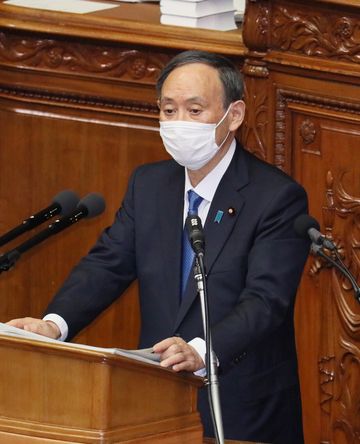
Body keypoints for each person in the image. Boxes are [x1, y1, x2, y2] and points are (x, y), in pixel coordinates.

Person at [8, 50, 310, 443]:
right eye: (169, 110)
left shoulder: (276, 198)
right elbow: (108, 264)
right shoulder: (149, 185)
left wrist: (202, 350)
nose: (179, 123)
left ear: (233, 116)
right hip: (151, 399)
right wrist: (54, 324)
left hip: (240, 404)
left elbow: (267, 301)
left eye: (195, 110)